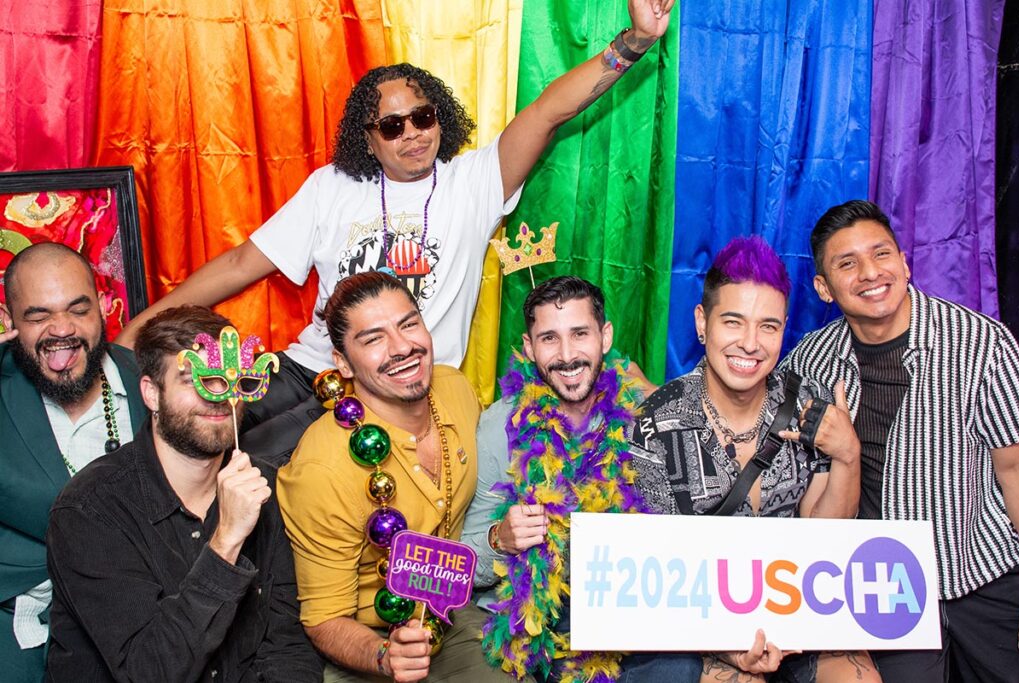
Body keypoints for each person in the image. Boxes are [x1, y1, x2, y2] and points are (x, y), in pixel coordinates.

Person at [115, 0, 676, 464]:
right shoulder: (331, 186)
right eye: (392, 125)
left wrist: (634, 41)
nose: (412, 134)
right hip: (314, 367)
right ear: (369, 137)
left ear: (441, 118)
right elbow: (241, 263)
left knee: (253, 462)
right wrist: (134, 333)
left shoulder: (473, 182)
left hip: (400, 387)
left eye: (423, 117)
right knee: (188, 423)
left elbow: (548, 112)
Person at [782, 200, 1019, 683]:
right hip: (887, 594)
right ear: (823, 288)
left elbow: (1017, 469)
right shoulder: (809, 364)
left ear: (904, 262)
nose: (870, 273)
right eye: (846, 264)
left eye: (882, 254)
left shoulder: (982, 345)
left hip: (987, 575)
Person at [629, 236, 879, 683]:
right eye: (733, 322)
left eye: (768, 326)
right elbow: (656, 577)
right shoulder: (653, 425)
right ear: (702, 323)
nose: (750, 343)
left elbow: (825, 541)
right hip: (699, 624)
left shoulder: (810, 402)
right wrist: (730, 651)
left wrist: (847, 454)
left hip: (797, 611)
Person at [45, 305, 322, 682]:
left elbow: (286, 645)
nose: (218, 396)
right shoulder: (90, 510)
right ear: (152, 394)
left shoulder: (265, 486)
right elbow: (148, 672)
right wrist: (225, 542)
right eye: (195, 379)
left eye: (230, 379)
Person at [460, 276, 702, 682]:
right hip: (538, 615)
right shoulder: (500, 426)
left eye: (580, 334)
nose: (568, 355)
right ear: (527, 346)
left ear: (604, 337)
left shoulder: (645, 415)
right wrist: (499, 539)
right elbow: (466, 562)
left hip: (625, 608)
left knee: (679, 668)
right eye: (549, 338)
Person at [277, 271, 509, 682]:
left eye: (408, 324)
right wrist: (385, 656)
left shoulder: (454, 390)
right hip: (368, 639)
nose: (403, 347)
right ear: (343, 364)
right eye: (373, 339)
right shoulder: (320, 469)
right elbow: (325, 620)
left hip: (450, 614)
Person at [0, 243, 146, 683]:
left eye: (78, 310)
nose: (60, 330)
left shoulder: (154, 380)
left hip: (141, 613)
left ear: (104, 308)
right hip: (21, 617)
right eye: (38, 316)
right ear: (8, 323)